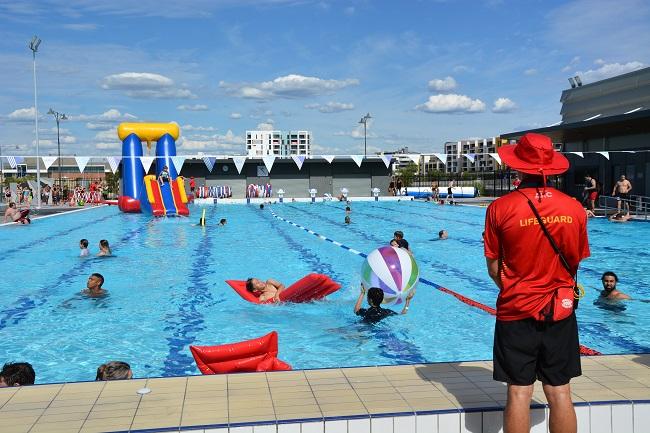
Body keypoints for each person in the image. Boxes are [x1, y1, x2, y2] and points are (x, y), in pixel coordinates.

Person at [483, 133, 590, 433]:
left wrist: (516, 288)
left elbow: (494, 267)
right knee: (559, 391)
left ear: (519, 166)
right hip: (561, 310)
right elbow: (576, 263)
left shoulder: (500, 209)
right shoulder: (574, 209)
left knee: (519, 391)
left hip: (516, 310)